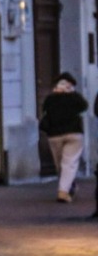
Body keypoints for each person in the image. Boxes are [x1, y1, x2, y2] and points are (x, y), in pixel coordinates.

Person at [38, 72, 87, 203]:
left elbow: (44, 110)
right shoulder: (74, 97)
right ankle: (66, 188)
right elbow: (84, 106)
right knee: (69, 163)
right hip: (74, 134)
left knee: (60, 164)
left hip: (54, 135)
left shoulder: (50, 98)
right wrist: (72, 94)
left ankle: (63, 191)